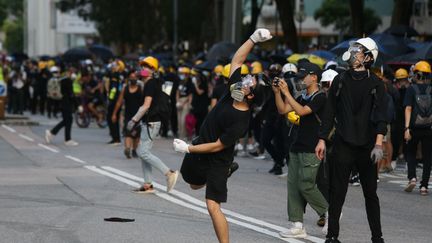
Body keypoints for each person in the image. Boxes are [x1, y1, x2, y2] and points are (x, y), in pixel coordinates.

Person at [172, 28, 272, 243]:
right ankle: (224, 173)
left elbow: (218, 146)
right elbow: (238, 59)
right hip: (201, 147)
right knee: (192, 183)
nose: (244, 81)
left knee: (212, 205)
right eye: (246, 79)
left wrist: (187, 148)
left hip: (218, 159)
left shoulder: (241, 121)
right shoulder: (232, 90)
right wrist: (253, 39)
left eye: (249, 84)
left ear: (251, 95)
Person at [315, 37, 387, 243]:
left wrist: (379, 143)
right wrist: (321, 139)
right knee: (337, 192)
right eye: (353, 49)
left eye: (358, 50)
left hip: (367, 147)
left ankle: (377, 237)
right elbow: (329, 112)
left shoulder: (376, 84)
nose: (353, 53)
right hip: (343, 143)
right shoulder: (340, 80)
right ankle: (332, 236)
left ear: (368, 57)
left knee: (370, 194)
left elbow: (381, 114)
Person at [274, 62, 328, 238]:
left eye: (303, 76)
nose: (300, 80)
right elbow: (283, 110)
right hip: (297, 145)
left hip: (312, 147)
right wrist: (277, 93)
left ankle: (329, 213)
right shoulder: (303, 95)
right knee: (293, 187)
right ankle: (297, 225)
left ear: (314, 77)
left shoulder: (320, 97)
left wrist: (287, 92)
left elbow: (302, 111)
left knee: (306, 184)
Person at [127, 56, 179, 193]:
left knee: (142, 152)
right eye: (143, 66)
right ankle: (148, 184)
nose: (143, 69)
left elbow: (146, 106)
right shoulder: (155, 82)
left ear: (153, 70)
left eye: (147, 67)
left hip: (151, 122)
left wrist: (133, 120)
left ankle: (169, 173)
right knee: (143, 151)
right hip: (151, 121)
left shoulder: (150, 83)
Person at [403, 60, 432, 196]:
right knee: (427, 157)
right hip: (428, 127)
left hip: (414, 127)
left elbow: (408, 108)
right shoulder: (431, 89)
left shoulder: (411, 89)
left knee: (410, 153)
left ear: (417, 74)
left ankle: (412, 178)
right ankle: (424, 186)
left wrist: (407, 128)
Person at [112, 71, 144, 159]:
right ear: (128, 78)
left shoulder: (140, 89)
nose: (133, 79)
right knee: (128, 133)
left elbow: (145, 102)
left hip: (138, 116)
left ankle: (134, 149)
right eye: (131, 77)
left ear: (137, 79)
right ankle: (127, 148)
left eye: (134, 77)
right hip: (128, 116)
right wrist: (114, 114)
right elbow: (119, 102)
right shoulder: (125, 89)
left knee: (136, 135)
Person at [45, 66, 79, 146]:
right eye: (71, 72)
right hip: (66, 103)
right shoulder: (67, 80)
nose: (72, 73)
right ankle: (66, 139)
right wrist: (78, 105)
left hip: (62, 102)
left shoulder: (62, 79)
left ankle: (54, 134)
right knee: (68, 120)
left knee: (67, 120)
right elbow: (71, 94)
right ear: (67, 72)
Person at [105, 60, 125, 145]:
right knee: (113, 118)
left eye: (115, 65)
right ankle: (115, 138)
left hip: (114, 100)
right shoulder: (120, 75)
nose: (113, 66)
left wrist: (110, 98)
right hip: (117, 99)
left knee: (112, 118)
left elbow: (113, 89)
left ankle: (116, 138)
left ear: (119, 67)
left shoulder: (115, 75)